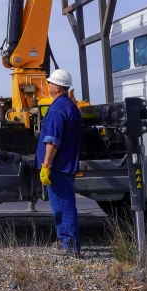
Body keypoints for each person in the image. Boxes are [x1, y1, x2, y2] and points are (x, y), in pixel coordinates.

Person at [37, 68, 82, 255]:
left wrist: (46, 165)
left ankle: (70, 246)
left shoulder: (56, 109)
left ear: (56, 87)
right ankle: (66, 240)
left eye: (49, 83)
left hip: (58, 165)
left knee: (62, 206)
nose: (48, 86)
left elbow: (53, 141)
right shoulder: (70, 106)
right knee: (64, 204)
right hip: (65, 164)